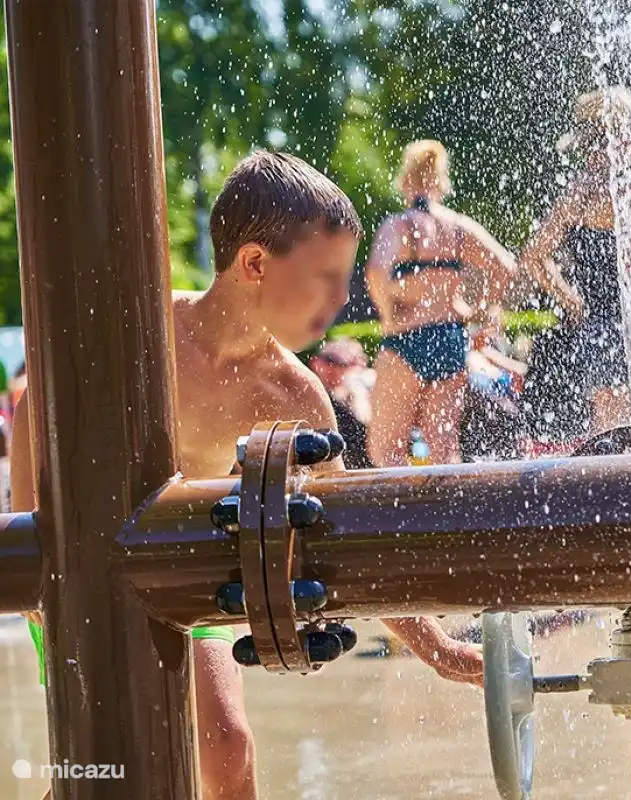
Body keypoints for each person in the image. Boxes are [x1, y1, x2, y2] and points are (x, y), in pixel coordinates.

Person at [11, 151, 483, 800]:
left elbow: (344, 542)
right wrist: (36, 550)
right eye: (326, 277)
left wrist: (439, 650)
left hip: (189, 574)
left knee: (228, 750)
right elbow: (39, 400)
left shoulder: (295, 397)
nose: (345, 298)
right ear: (255, 263)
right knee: (103, 766)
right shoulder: (146, 335)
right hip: (86, 574)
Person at [519, 87, 631, 443]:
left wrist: (572, 301)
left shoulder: (597, 185)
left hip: (611, 325)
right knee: (621, 432)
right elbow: (534, 255)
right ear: (615, 134)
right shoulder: (601, 188)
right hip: (612, 326)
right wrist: (573, 302)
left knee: (623, 432)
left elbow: (534, 255)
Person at [365, 139, 515, 466]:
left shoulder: (398, 226)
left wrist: (389, 314)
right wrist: (476, 310)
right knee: (444, 452)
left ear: (406, 180)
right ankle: (448, 516)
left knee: (386, 449)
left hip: (405, 338)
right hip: (448, 338)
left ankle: (400, 515)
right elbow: (506, 269)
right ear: (441, 181)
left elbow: (376, 272)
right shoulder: (458, 228)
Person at [309, 338, 374, 470]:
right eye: (328, 359)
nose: (331, 367)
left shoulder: (361, 393)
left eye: (341, 363)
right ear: (315, 362)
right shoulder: (307, 392)